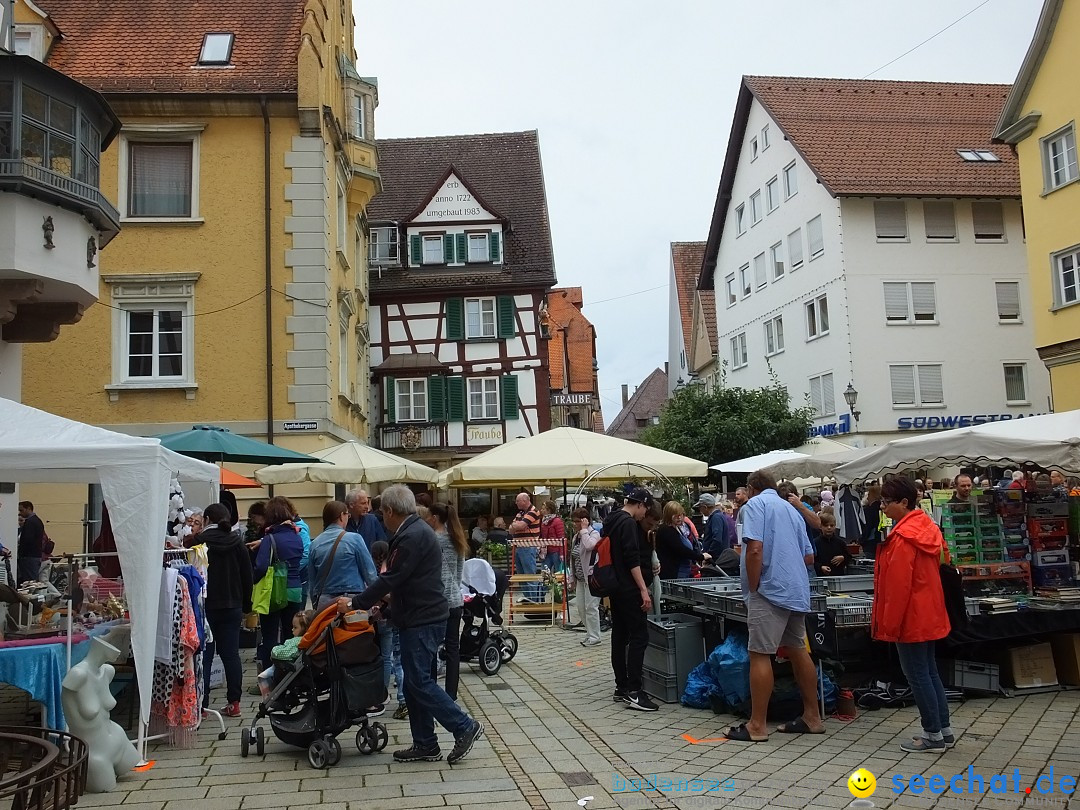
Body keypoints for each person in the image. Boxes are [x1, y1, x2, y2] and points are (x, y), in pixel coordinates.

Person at [337, 485, 484, 765]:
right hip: (420, 615)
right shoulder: (415, 531)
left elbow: (391, 577)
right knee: (418, 683)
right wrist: (385, 608)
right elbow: (405, 581)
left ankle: (464, 725)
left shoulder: (411, 536)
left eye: (382, 513)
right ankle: (425, 743)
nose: (382, 519)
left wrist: (357, 604)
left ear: (390, 511)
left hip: (423, 618)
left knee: (418, 682)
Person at [725, 470, 822, 743]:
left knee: (760, 653)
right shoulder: (792, 510)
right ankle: (812, 717)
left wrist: (755, 585)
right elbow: (809, 556)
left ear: (753, 488)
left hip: (769, 589)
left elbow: (754, 548)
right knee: (798, 649)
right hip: (795, 589)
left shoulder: (755, 505)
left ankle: (757, 725)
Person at [871, 477, 954, 752]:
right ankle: (944, 730)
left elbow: (897, 589)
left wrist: (889, 627)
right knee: (929, 672)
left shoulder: (903, 539)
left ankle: (932, 735)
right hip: (930, 612)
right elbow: (944, 562)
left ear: (903, 503)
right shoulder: (928, 529)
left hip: (910, 617)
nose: (882, 507)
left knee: (918, 675)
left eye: (886, 502)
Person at [604, 487, 658, 712]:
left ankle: (622, 686)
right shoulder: (627, 523)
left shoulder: (611, 519)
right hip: (628, 588)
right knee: (639, 636)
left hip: (614, 586)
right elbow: (631, 559)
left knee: (619, 635)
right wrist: (643, 590)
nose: (644, 515)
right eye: (645, 509)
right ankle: (635, 691)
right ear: (640, 504)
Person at [201, 502, 253, 717]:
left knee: (204, 655)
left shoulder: (199, 543)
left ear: (206, 519)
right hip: (233, 605)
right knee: (231, 654)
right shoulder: (238, 543)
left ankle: (201, 706)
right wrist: (247, 605)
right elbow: (247, 576)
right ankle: (234, 702)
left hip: (207, 606)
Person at [249, 497, 306, 676]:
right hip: (295, 590)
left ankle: (270, 677)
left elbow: (261, 567)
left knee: (270, 637)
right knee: (291, 636)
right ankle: (290, 676)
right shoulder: (297, 537)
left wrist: (253, 580)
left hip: (274, 593)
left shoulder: (269, 538)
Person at [425, 502, 468, 700]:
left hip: (436, 601)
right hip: (455, 599)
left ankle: (432, 689)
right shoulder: (456, 538)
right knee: (453, 648)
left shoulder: (432, 539)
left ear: (435, 517)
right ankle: (451, 692)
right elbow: (460, 572)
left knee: (432, 646)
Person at [308, 500, 378, 611]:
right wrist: (377, 596)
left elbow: (312, 581)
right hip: (352, 599)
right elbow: (370, 573)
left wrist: (315, 605)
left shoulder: (314, 544)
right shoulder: (354, 539)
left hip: (325, 601)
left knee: (328, 629)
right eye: (347, 515)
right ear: (341, 516)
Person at [566, 508, 602, 646]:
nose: (574, 524)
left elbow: (589, 546)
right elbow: (573, 559)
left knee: (591, 607)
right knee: (581, 608)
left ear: (584, 521)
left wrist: (584, 529)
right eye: (573, 521)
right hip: (580, 579)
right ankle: (589, 633)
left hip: (592, 577)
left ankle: (595, 636)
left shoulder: (594, 534)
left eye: (577, 521)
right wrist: (572, 578)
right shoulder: (576, 537)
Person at [257, 610, 313, 695]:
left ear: (305, 629)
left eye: (295, 627)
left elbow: (284, 654)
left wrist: (275, 650)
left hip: (288, 669)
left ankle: (271, 696)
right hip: (299, 667)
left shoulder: (298, 642)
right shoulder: (308, 640)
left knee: (265, 676)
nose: (292, 629)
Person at [655, 501, 711, 580]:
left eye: (680, 515)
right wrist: (700, 556)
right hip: (673, 572)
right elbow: (680, 549)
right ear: (669, 515)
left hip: (683, 570)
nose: (679, 518)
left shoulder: (677, 528)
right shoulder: (666, 530)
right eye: (675, 515)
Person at [510, 492, 543, 602]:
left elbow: (520, 525)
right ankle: (527, 597)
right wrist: (516, 526)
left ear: (524, 501)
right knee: (521, 575)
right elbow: (511, 528)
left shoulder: (533, 511)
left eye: (517, 501)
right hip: (519, 547)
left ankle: (534, 599)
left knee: (529, 574)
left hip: (528, 547)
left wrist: (516, 526)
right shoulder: (520, 513)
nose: (516, 503)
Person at [17, 501, 45, 585]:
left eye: (22, 510)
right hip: (34, 555)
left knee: (29, 582)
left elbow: (27, 539)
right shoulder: (37, 521)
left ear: (28, 508)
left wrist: (20, 550)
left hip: (29, 556)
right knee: (32, 580)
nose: (20, 513)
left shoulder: (30, 522)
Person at [538, 500, 566, 573]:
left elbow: (561, 537)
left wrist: (562, 553)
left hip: (556, 551)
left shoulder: (557, 521)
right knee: (544, 572)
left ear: (549, 510)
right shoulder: (543, 522)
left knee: (559, 572)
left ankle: (559, 584)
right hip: (546, 551)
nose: (541, 510)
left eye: (543, 509)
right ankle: (545, 584)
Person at [861, 484, 884, 559]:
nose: (867, 497)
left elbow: (867, 527)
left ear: (874, 495)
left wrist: (862, 540)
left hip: (870, 543)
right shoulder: (884, 508)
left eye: (869, 494)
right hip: (881, 541)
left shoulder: (869, 510)